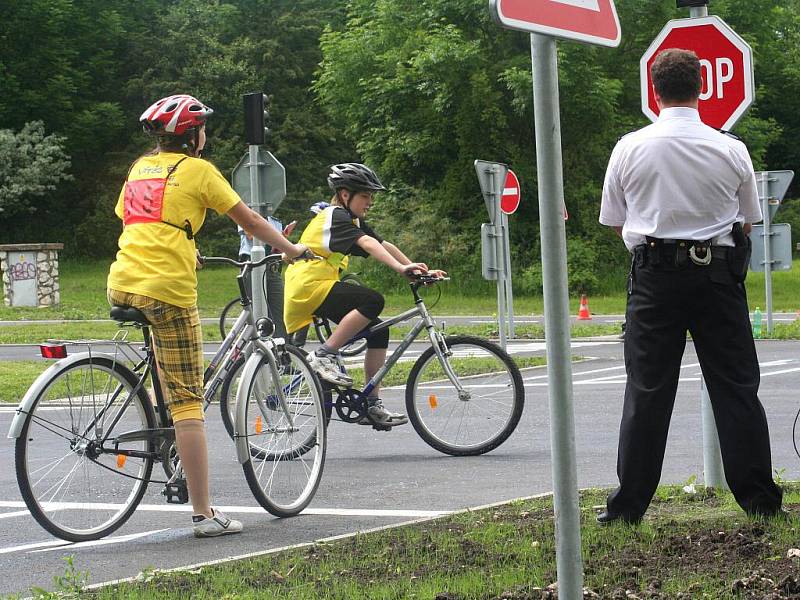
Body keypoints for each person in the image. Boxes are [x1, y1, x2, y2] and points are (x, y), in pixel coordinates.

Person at [107, 94, 308, 537]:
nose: (207, 136)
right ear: (192, 135)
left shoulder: (140, 167)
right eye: (204, 129)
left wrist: (188, 247)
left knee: (169, 384)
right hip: (165, 291)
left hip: (123, 280)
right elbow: (250, 220)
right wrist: (290, 249)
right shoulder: (199, 170)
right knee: (188, 404)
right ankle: (203, 513)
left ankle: (164, 431)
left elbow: (140, 220)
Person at [597, 49, 783, 524]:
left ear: (654, 91)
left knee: (648, 390)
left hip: (654, 276)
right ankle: (760, 502)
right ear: (701, 88)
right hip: (717, 276)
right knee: (736, 387)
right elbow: (746, 223)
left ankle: (628, 508)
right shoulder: (729, 148)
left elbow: (617, 223)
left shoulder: (629, 147)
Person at [283, 163, 446, 428]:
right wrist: (401, 268)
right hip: (309, 287)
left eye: (371, 196)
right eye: (365, 196)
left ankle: (371, 404)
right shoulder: (335, 215)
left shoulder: (350, 220)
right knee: (372, 299)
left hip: (319, 286)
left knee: (378, 330)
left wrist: (412, 267)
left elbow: (381, 243)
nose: (370, 202)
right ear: (345, 195)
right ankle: (324, 355)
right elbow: (368, 244)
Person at [237, 216, 296, 340]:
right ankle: (251, 349)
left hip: (272, 265)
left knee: (280, 311)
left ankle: (281, 350)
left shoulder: (275, 219)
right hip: (252, 263)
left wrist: (284, 243)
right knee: (255, 313)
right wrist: (278, 238)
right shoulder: (248, 211)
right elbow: (252, 236)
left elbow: (277, 245)